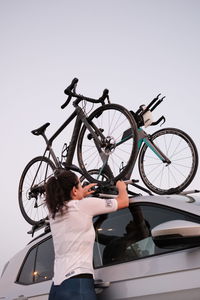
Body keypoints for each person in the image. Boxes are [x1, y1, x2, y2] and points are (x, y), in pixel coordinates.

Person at [45, 169, 129, 300]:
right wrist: (121, 187)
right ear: (74, 190)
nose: (82, 187)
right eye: (79, 184)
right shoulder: (84, 205)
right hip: (77, 284)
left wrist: (79, 194)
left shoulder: (53, 213)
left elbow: (70, 204)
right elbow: (124, 201)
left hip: (57, 287)